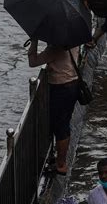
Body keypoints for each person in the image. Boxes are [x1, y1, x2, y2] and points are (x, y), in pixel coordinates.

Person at [28, 39, 79, 175]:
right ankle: (59, 160)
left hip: (60, 89)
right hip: (73, 85)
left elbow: (32, 61)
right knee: (63, 123)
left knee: (60, 127)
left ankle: (61, 164)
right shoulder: (73, 41)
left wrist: (34, 41)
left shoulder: (55, 48)